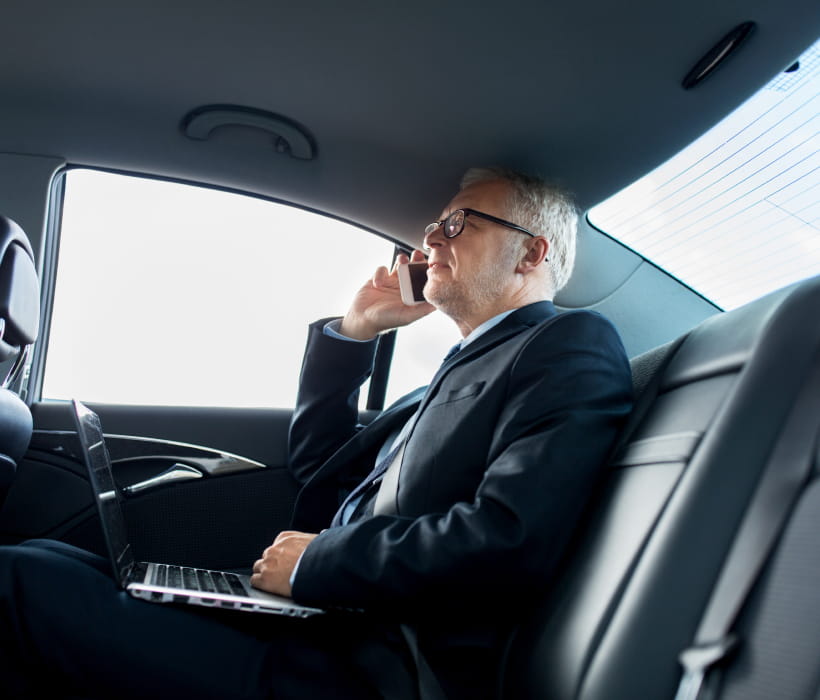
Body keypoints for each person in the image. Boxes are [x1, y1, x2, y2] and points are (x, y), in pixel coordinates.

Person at [0, 167, 633, 699]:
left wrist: (318, 562)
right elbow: (319, 470)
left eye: (460, 222)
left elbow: (510, 539)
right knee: (41, 557)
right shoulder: (449, 375)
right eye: (435, 224)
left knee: (17, 582)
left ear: (531, 252)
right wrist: (353, 333)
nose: (432, 238)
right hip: (319, 626)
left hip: (366, 669)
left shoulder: (565, 342)